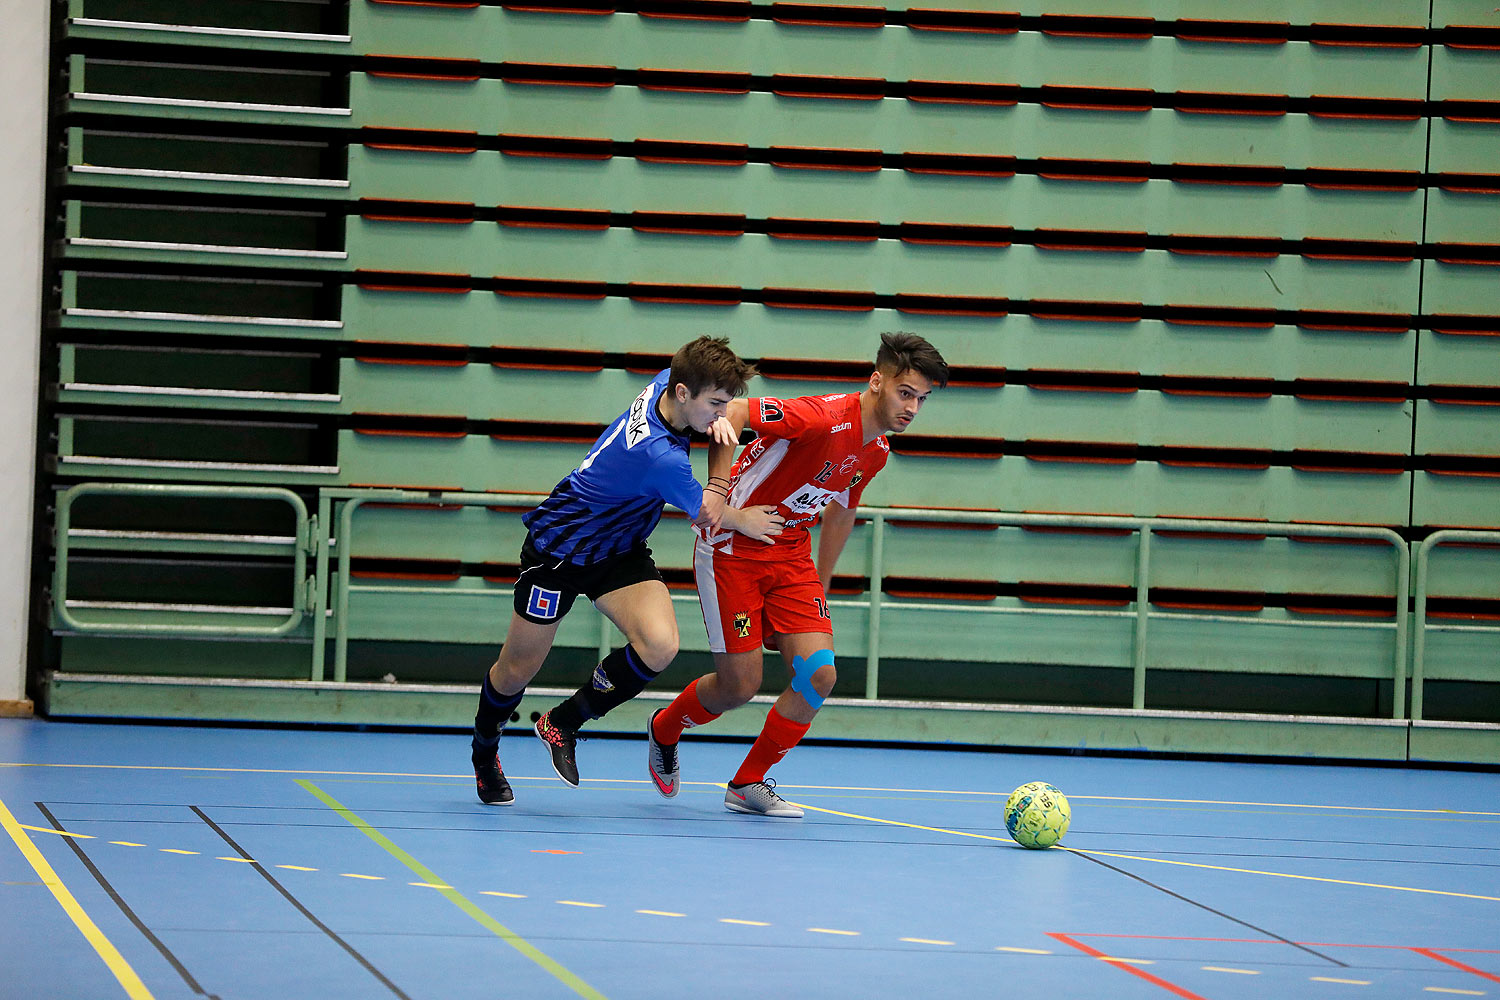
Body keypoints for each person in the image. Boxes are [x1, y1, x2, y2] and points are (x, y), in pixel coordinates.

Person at [470, 336, 784, 805]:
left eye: (726, 404)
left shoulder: (665, 382)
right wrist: (739, 493)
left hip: (617, 551)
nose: (722, 415)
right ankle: (484, 752)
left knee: (660, 645)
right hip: (559, 552)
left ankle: (563, 722)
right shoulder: (661, 457)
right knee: (516, 670)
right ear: (683, 394)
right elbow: (710, 511)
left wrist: (723, 411)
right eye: (716, 404)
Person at [647, 332, 948, 816]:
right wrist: (720, 495)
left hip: (791, 556)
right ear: (877, 382)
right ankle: (664, 727)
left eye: (922, 399)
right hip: (732, 549)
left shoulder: (877, 451)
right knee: (738, 687)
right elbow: (735, 414)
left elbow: (842, 509)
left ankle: (747, 783)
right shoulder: (822, 416)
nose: (912, 407)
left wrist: (819, 583)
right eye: (905, 393)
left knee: (818, 674)